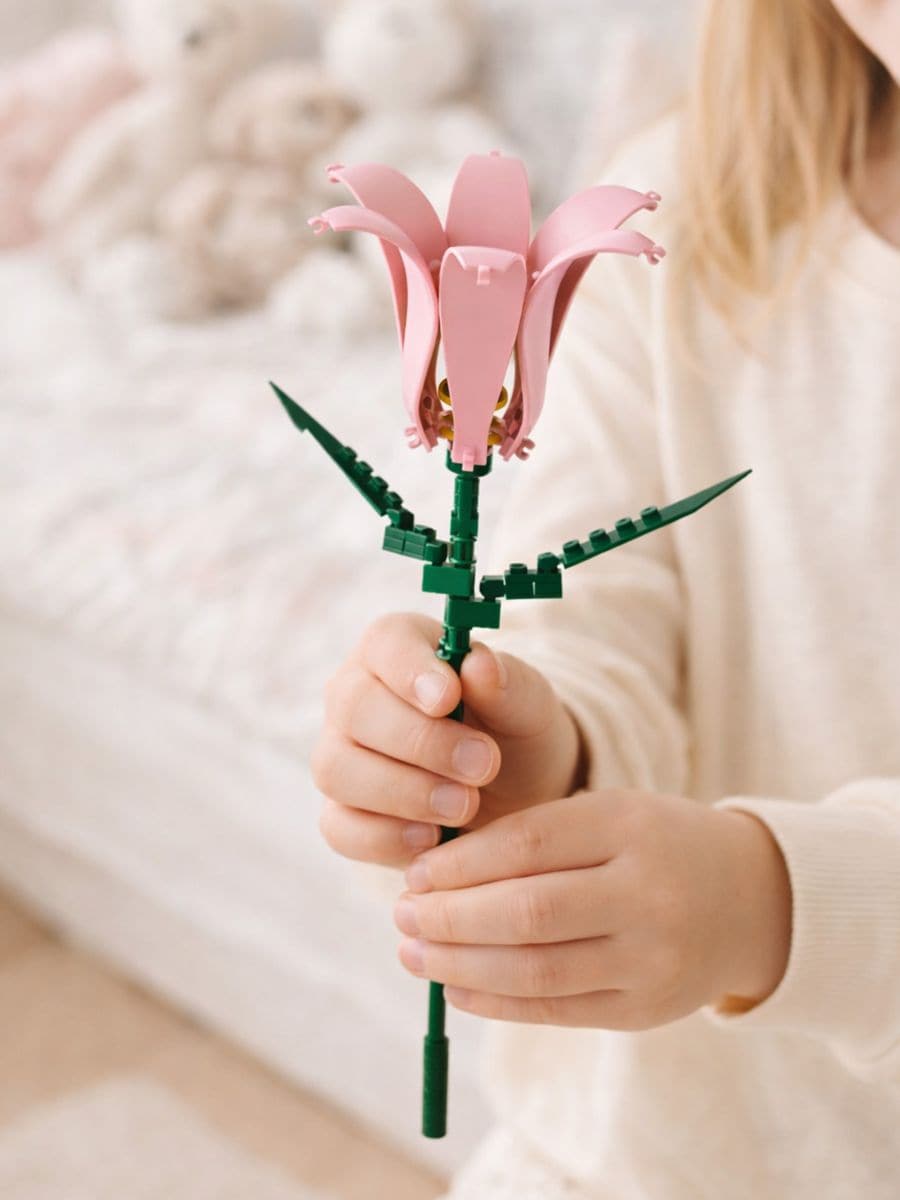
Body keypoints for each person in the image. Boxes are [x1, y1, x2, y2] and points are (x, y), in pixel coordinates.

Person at [310, 1, 900, 1196]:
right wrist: (530, 750)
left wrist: (779, 908)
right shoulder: (686, 210)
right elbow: (592, 616)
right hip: (638, 1153)